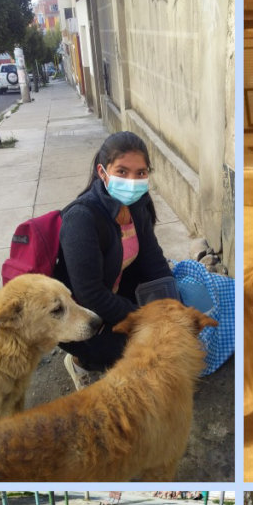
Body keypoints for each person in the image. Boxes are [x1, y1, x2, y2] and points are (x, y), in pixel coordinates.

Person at [56, 131, 173, 387]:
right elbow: (89, 295)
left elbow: (154, 263)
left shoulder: (137, 208)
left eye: (140, 173)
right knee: (147, 354)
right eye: (122, 171)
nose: (132, 180)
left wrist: (172, 308)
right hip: (86, 315)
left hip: (118, 295)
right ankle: (81, 362)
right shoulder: (82, 219)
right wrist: (143, 319)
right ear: (102, 171)